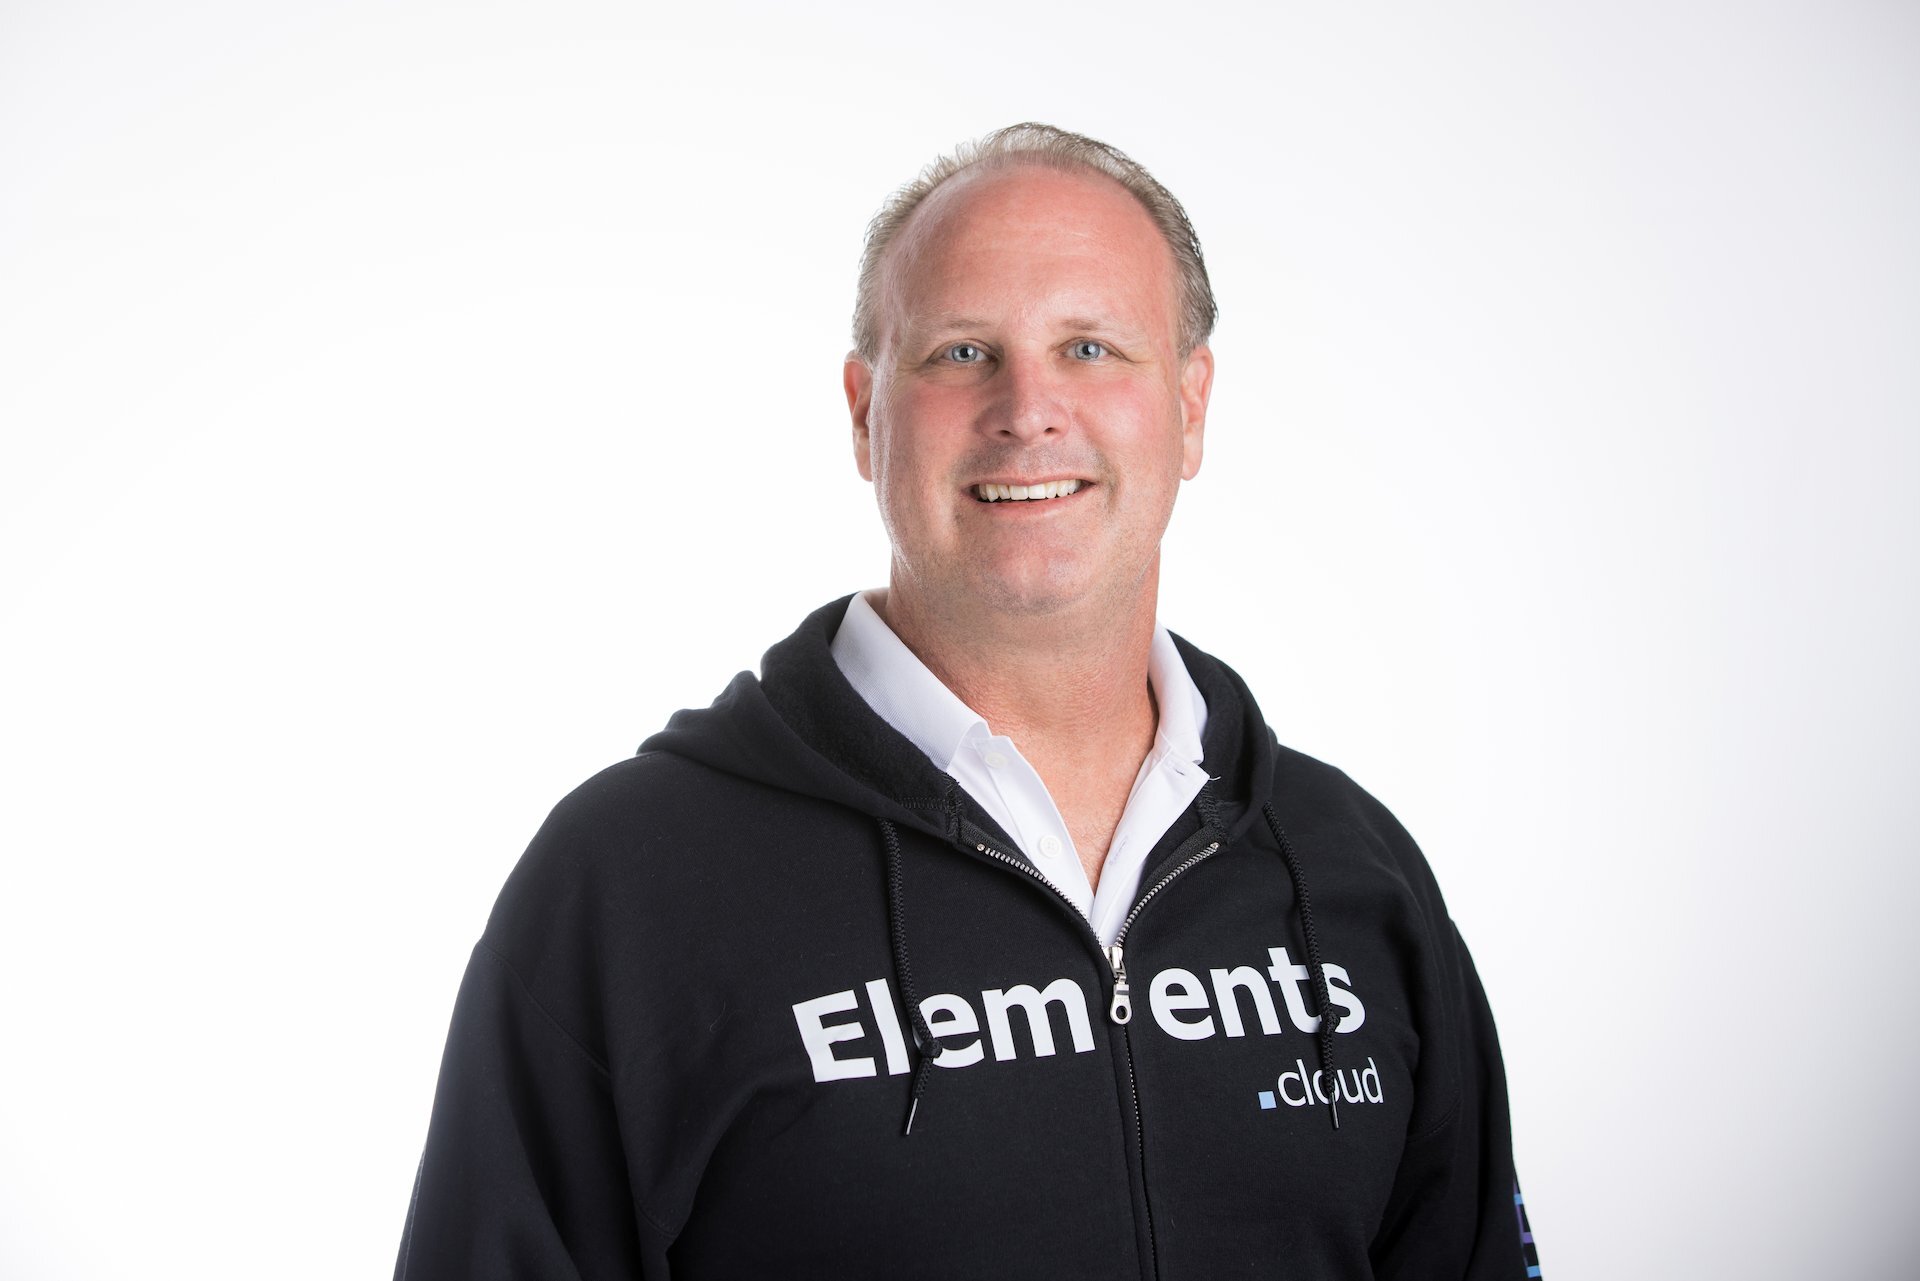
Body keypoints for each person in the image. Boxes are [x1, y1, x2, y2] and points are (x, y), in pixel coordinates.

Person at [395, 123, 1540, 1280]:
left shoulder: (1350, 872)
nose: (1028, 409)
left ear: (1191, 405)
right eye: (960, 353)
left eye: (1090, 347)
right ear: (863, 413)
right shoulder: (632, 884)